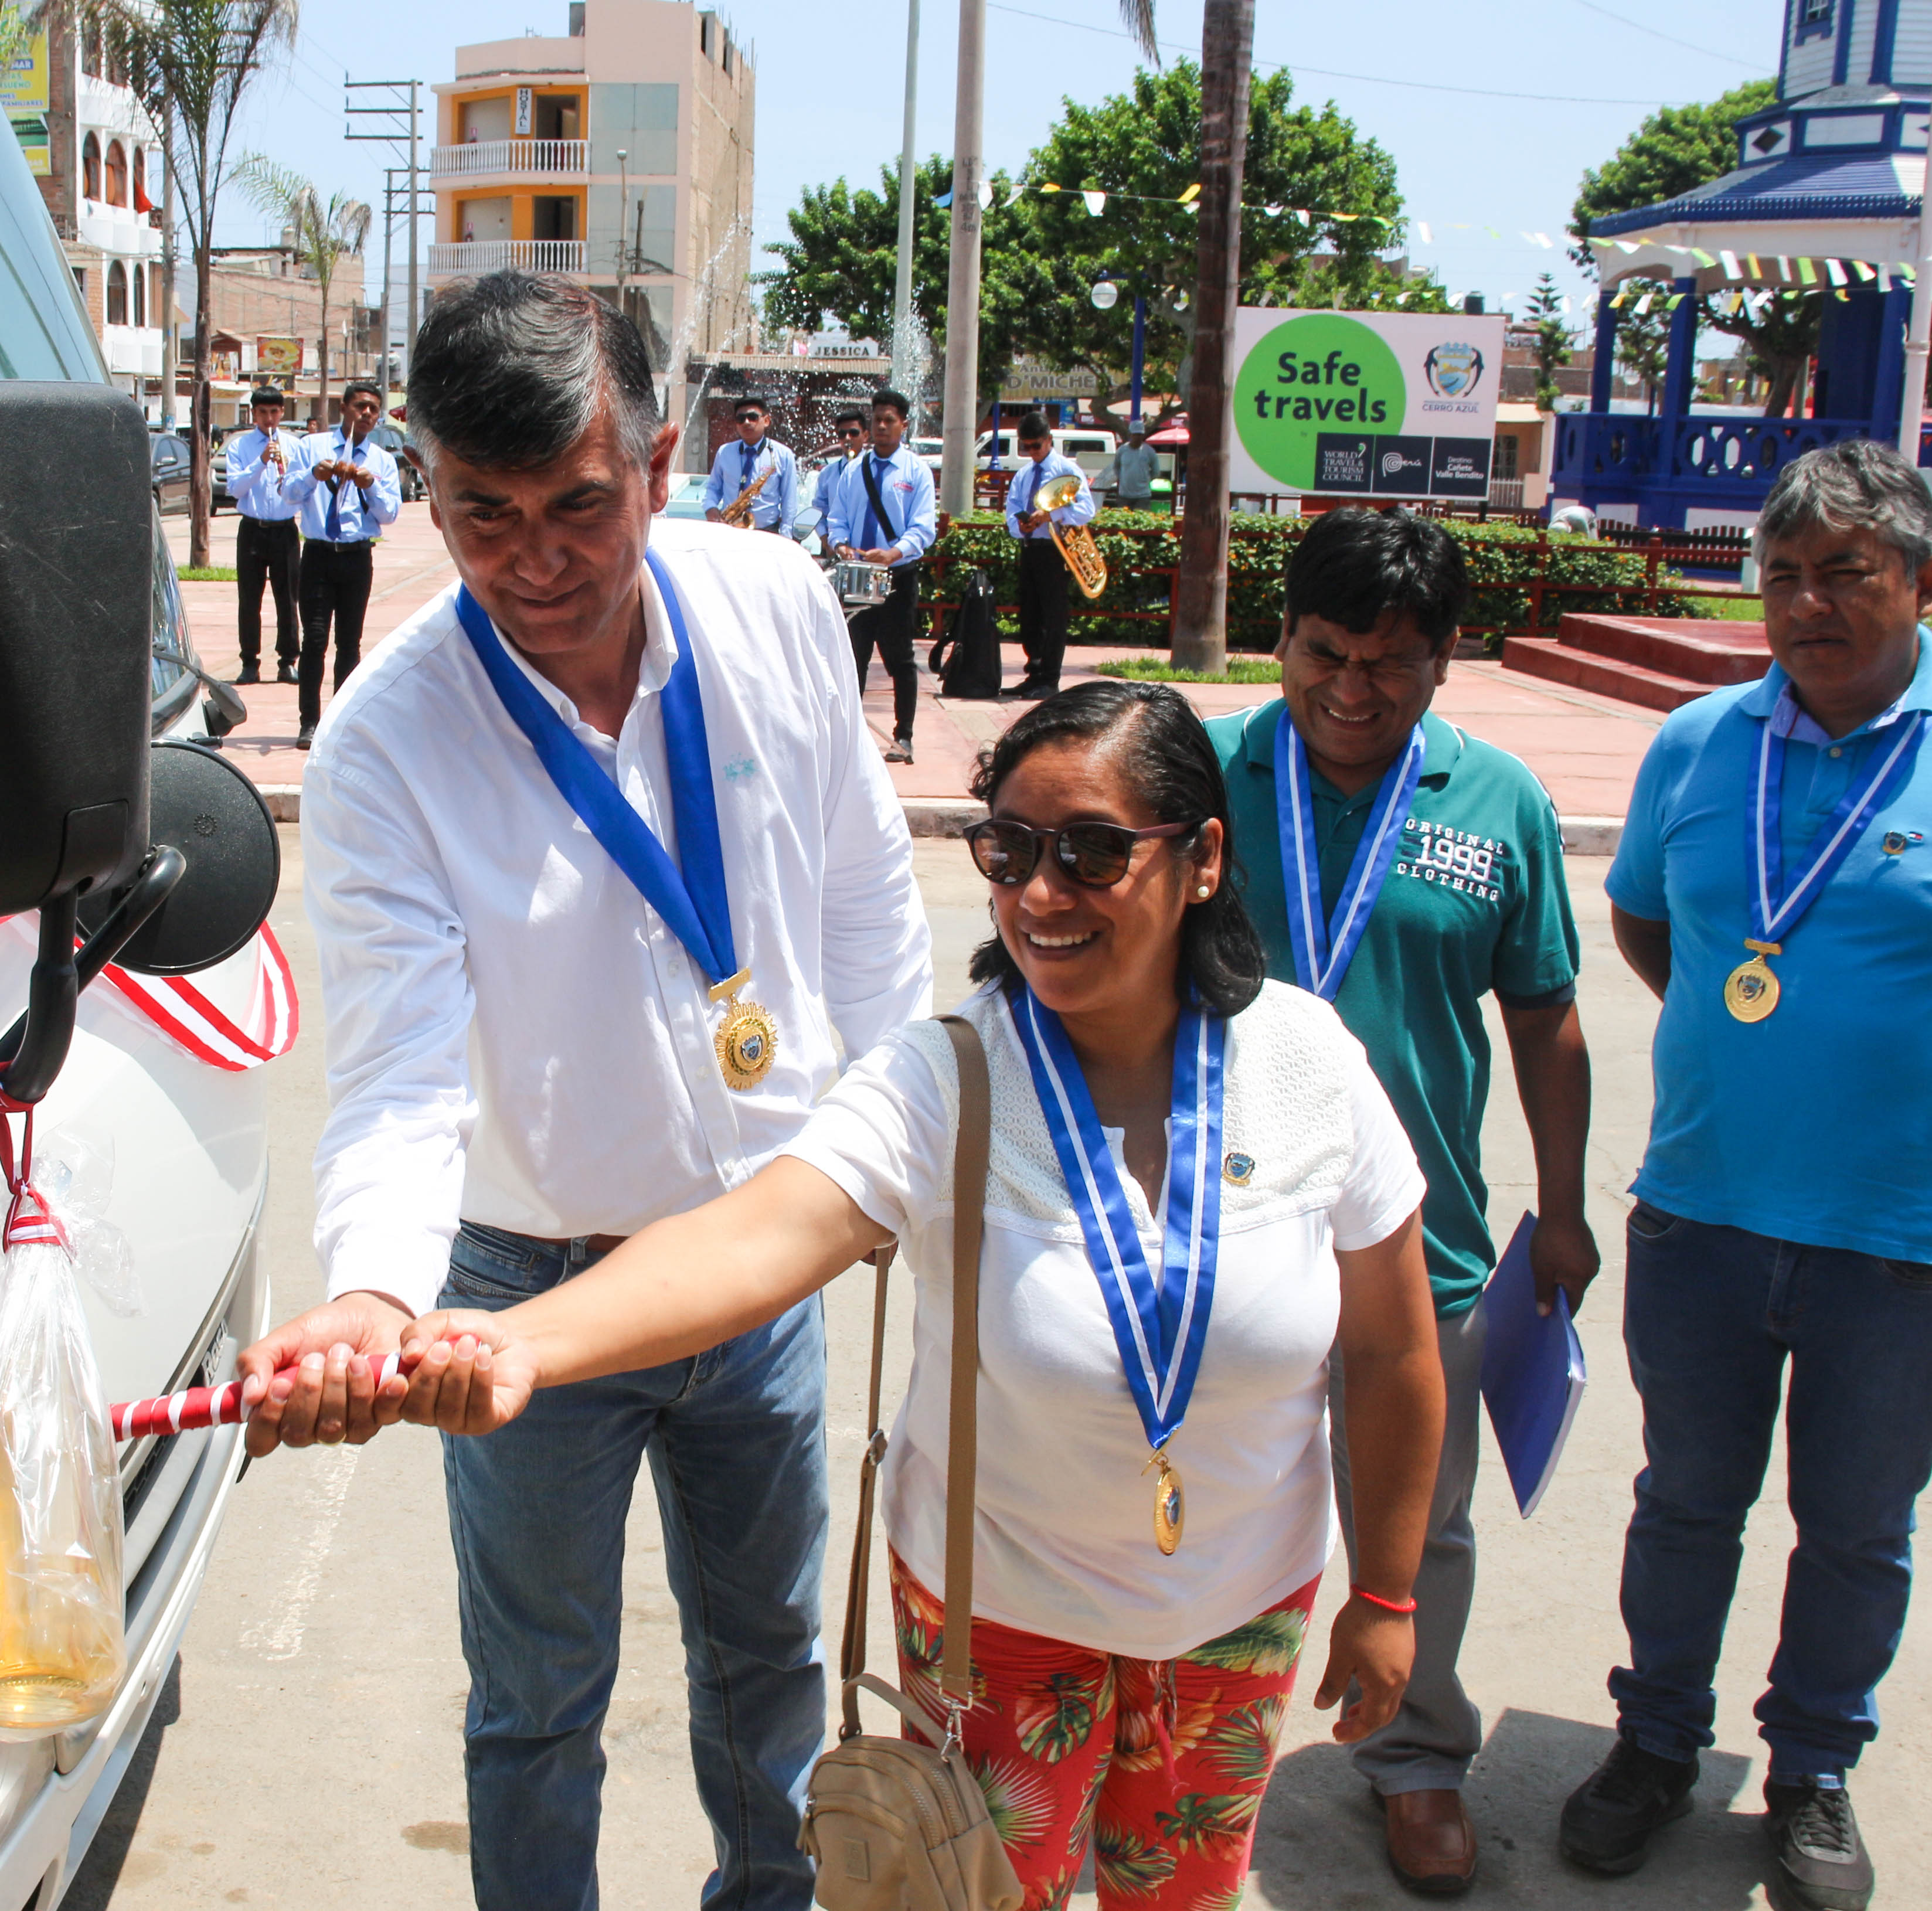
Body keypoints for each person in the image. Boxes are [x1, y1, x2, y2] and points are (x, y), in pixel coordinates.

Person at [395, 681, 1450, 1911]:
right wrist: (517, 1339)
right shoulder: (950, 1077)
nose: (1041, 894)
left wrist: (1384, 1595)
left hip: (1239, 1617)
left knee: (1183, 1898)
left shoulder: (1307, 1061)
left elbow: (1391, 1353)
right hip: (1001, 1625)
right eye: (1008, 849)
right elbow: (756, 1237)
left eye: (1094, 852)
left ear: (1203, 858)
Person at [236, 271, 935, 1911]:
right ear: (428, 485)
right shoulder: (385, 746)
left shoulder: (776, 608)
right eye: (484, 516)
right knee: (537, 1696)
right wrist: (368, 1294)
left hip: (761, 1263)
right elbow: (400, 1078)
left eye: (579, 507)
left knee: (767, 1659)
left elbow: (864, 900)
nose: (536, 563)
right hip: (519, 1294)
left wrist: (888, 1150)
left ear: (664, 459)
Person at [1573, 439, 1932, 1910]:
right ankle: (1652, 1740)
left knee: (1855, 1525)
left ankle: (1811, 1767)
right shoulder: (1695, 742)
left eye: (1845, 574)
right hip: (1698, 1213)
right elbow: (1645, 928)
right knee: (1682, 1498)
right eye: (1782, 576)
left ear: (1925, 579)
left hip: (1901, 1235)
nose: (1805, 603)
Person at [1205, 506, 1594, 1896]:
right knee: (1181, 1498)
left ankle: (1415, 1753)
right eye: (1323, 653)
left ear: (1444, 661)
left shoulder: (1498, 803)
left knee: (1413, 1522)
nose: (1350, 691)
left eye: (1390, 661)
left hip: (1413, 1247)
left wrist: (1558, 1204)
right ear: (1283, 640)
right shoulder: (1208, 771)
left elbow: (1544, 1010)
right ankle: (1165, 1745)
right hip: (1221, 1230)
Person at [283, 381, 403, 749]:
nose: (367, 414)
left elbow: (390, 513)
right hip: (319, 555)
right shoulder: (311, 447)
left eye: (373, 409)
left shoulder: (381, 460)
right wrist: (312, 476)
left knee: (349, 644)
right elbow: (288, 494)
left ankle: (341, 721)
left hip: (356, 556)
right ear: (344, 409)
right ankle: (310, 722)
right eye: (360, 407)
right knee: (314, 639)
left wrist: (370, 486)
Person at [821, 387, 938, 764]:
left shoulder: (916, 471)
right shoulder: (855, 470)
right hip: (858, 575)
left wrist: (893, 552)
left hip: (897, 576)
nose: (883, 427)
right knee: (853, 655)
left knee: (900, 658)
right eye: (877, 421)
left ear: (904, 425)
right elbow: (837, 518)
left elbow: (923, 527)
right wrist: (840, 544)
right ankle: (850, 740)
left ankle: (903, 736)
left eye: (890, 420)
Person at [1001, 414, 1098, 699]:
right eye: (1026, 447)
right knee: (1029, 614)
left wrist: (1051, 515)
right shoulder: (1024, 475)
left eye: (1036, 446)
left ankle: (1050, 678)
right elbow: (1012, 509)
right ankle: (1035, 672)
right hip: (1031, 548)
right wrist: (1021, 525)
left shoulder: (1067, 470)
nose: (1032, 452)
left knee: (1053, 615)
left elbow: (1086, 510)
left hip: (1057, 551)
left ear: (1049, 440)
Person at [225, 385, 302, 685]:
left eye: (274, 412)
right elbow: (235, 489)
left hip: (284, 530)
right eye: (262, 413)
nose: (268, 419)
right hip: (253, 530)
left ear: (282, 413)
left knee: (288, 598)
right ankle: (249, 661)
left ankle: (288, 661)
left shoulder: (294, 446)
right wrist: (261, 462)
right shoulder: (240, 447)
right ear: (253, 414)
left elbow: (300, 487)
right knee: (249, 599)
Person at [707, 398, 798, 532]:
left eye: (753, 417)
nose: (746, 422)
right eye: (741, 419)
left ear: (766, 421)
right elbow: (713, 488)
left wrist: (786, 535)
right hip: (730, 529)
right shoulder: (724, 452)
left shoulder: (783, 455)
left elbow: (789, 502)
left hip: (767, 531)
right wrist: (710, 507)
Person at [804, 409, 869, 549]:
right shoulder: (828, 473)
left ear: (865, 436)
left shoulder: (873, 469)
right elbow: (818, 510)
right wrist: (826, 539)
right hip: (835, 547)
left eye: (854, 433)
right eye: (842, 434)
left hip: (867, 548)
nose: (847, 438)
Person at [1115, 427, 1160, 509]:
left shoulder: (1150, 451)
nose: (1138, 437)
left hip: (1143, 496)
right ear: (1131, 435)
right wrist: (1122, 479)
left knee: (1141, 521)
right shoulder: (1122, 450)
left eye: (1140, 435)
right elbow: (1116, 467)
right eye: (1135, 435)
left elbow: (1156, 472)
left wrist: (1145, 480)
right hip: (1124, 495)